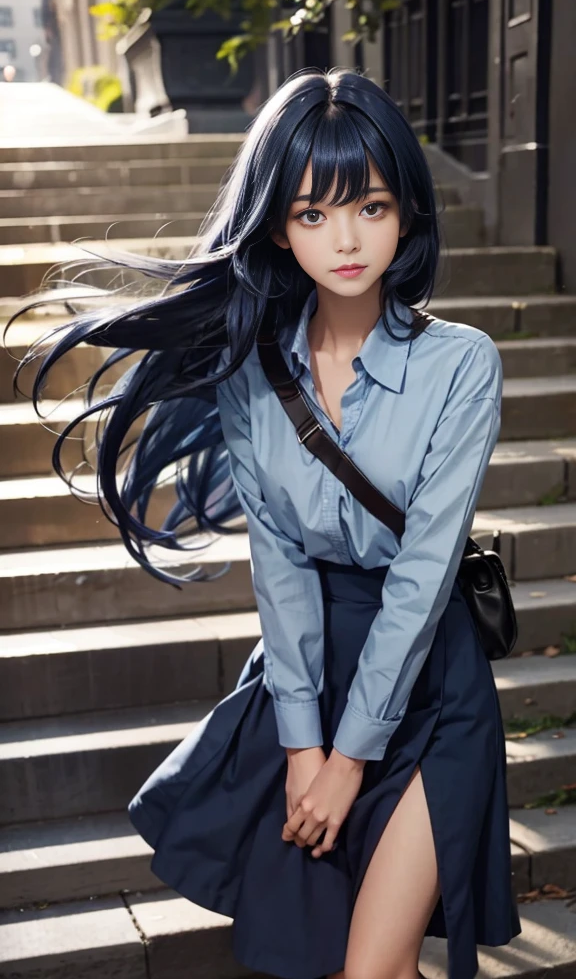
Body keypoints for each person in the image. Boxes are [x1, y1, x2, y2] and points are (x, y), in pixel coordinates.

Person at [10, 67, 522, 979]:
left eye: (367, 204)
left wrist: (348, 761)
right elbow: (280, 568)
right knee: (342, 964)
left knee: (373, 967)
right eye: (312, 214)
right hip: (311, 677)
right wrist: (301, 747)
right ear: (279, 230)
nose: (347, 239)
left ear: (406, 207)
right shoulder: (252, 372)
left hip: (431, 686)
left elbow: (421, 580)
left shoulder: (461, 367)